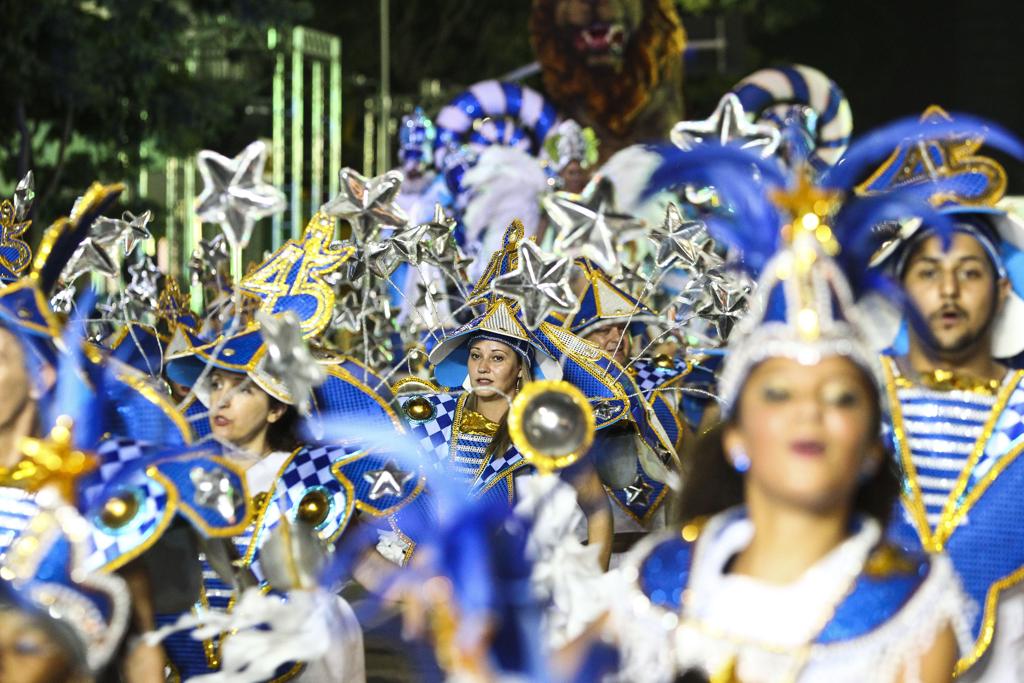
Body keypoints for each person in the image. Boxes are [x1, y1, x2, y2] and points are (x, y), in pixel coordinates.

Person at [587, 140, 974, 681]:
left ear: (870, 447)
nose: (809, 412)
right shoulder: (655, 584)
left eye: (840, 396)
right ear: (736, 438)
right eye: (777, 393)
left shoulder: (907, 613)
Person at [861, 113, 1024, 680]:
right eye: (929, 271)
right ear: (900, 290)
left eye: (969, 271)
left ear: (1002, 290)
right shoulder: (849, 398)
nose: (949, 290)